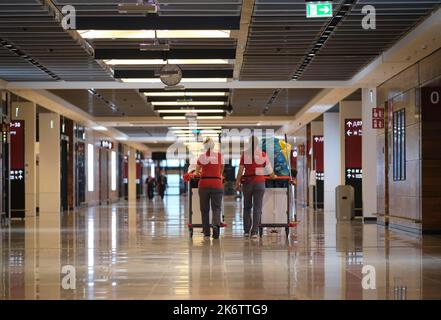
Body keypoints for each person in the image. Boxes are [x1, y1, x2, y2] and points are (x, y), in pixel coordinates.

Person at [235, 136, 276, 239]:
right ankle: (254, 232)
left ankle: (246, 231)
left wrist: (237, 182)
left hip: (247, 183)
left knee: (247, 207)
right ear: (258, 144)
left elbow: (240, 170)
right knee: (257, 208)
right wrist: (274, 176)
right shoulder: (263, 154)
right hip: (259, 183)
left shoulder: (245, 155)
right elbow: (270, 172)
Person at [195, 138, 224, 239]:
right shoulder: (219, 156)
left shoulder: (202, 157)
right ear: (213, 146)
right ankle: (215, 225)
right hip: (216, 183)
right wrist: (218, 174)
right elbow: (221, 169)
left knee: (204, 209)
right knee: (216, 208)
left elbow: (197, 172)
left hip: (204, 183)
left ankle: (206, 231)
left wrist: (200, 172)